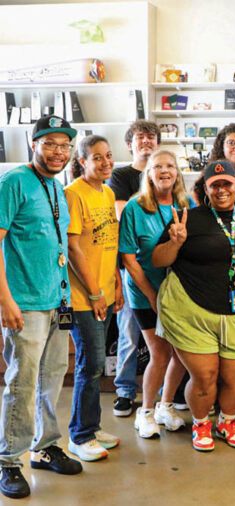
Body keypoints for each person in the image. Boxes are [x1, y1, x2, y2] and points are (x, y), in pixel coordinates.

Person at [153, 160, 235, 452]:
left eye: (226, 183)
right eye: (214, 185)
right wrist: (175, 242)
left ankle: (227, 421)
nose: (221, 190)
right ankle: (201, 423)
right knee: (205, 376)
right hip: (191, 310)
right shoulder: (188, 218)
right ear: (205, 189)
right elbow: (158, 260)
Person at [0, 115, 83, 499]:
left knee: (52, 379)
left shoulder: (56, 187)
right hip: (26, 304)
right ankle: (8, 460)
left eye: (64, 146)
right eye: (49, 143)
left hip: (57, 301)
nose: (58, 152)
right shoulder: (14, 182)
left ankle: (45, 446)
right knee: (23, 384)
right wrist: (5, 300)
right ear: (34, 145)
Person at [119, 150, 193, 438]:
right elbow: (128, 259)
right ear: (148, 174)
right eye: (158, 166)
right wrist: (151, 295)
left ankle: (166, 405)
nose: (165, 171)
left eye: (170, 166)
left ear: (177, 173)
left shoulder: (187, 205)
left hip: (179, 293)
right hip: (144, 292)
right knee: (160, 353)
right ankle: (146, 411)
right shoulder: (135, 208)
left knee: (181, 354)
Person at [64, 135, 123, 462]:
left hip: (105, 292)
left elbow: (108, 243)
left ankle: (92, 426)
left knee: (96, 366)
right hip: (83, 298)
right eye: (97, 157)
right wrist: (96, 292)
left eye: (108, 155)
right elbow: (73, 248)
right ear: (82, 161)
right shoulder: (74, 194)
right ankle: (80, 435)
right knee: (91, 364)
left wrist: (115, 283)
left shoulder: (108, 192)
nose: (105, 162)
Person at [108, 119, 161, 417]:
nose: (146, 141)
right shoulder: (121, 175)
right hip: (130, 265)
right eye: (140, 137)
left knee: (164, 335)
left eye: (151, 137)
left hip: (161, 266)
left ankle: (165, 392)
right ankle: (125, 391)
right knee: (129, 331)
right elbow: (123, 214)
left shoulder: (162, 173)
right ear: (130, 144)